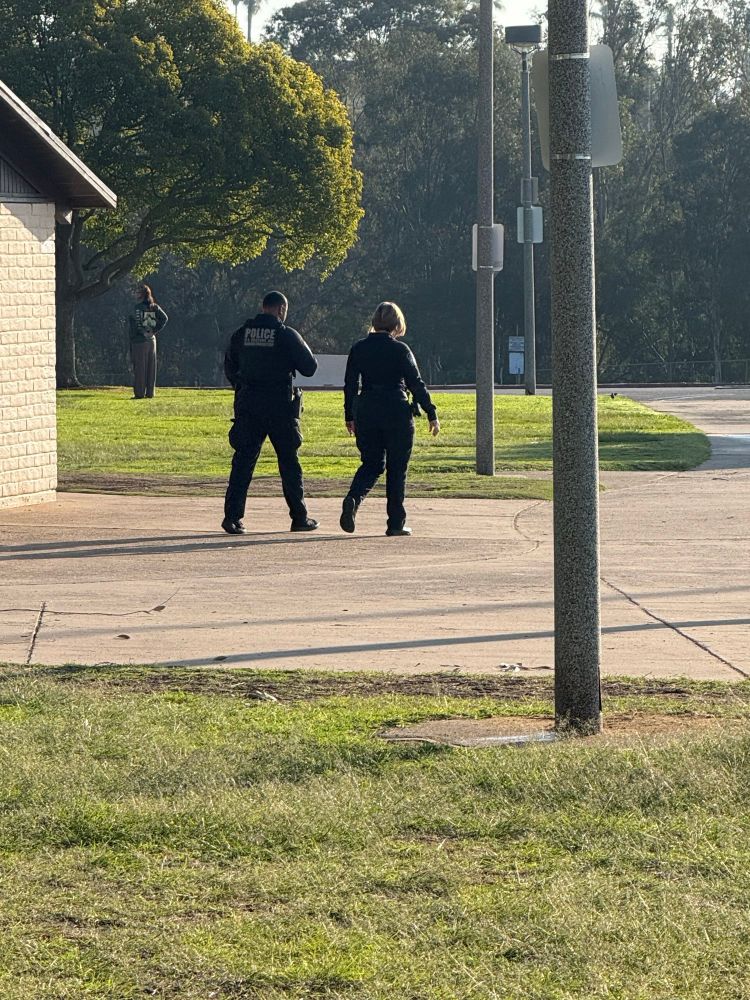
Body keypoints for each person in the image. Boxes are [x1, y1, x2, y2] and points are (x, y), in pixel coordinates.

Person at [222, 291, 319, 534]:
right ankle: (299, 517)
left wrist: (243, 386)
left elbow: (230, 366)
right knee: (289, 462)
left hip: (249, 404)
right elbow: (310, 367)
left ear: (263, 307)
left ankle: (232, 517)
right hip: (279, 406)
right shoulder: (286, 334)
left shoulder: (242, 334)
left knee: (243, 462)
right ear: (281, 309)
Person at [340, 301, 439, 537]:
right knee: (397, 468)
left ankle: (353, 498)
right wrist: (431, 412)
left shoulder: (359, 348)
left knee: (372, 463)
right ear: (397, 324)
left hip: (367, 408)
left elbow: (350, 384)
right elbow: (416, 383)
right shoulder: (401, 350)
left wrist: (350, 415)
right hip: (396, 409)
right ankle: (395, 523)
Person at [128, 284, 168, 399]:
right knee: (151, 367)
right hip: (151, 341)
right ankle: (150, 392)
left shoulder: (138, 307)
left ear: (141, 294)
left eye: (137, 292)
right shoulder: (153, 306)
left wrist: (139, 334)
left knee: (140, 367)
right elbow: (164, 318)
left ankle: (139, 393)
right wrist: (154, 331)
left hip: (140, 341)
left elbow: (137, 324)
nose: (135, 293)